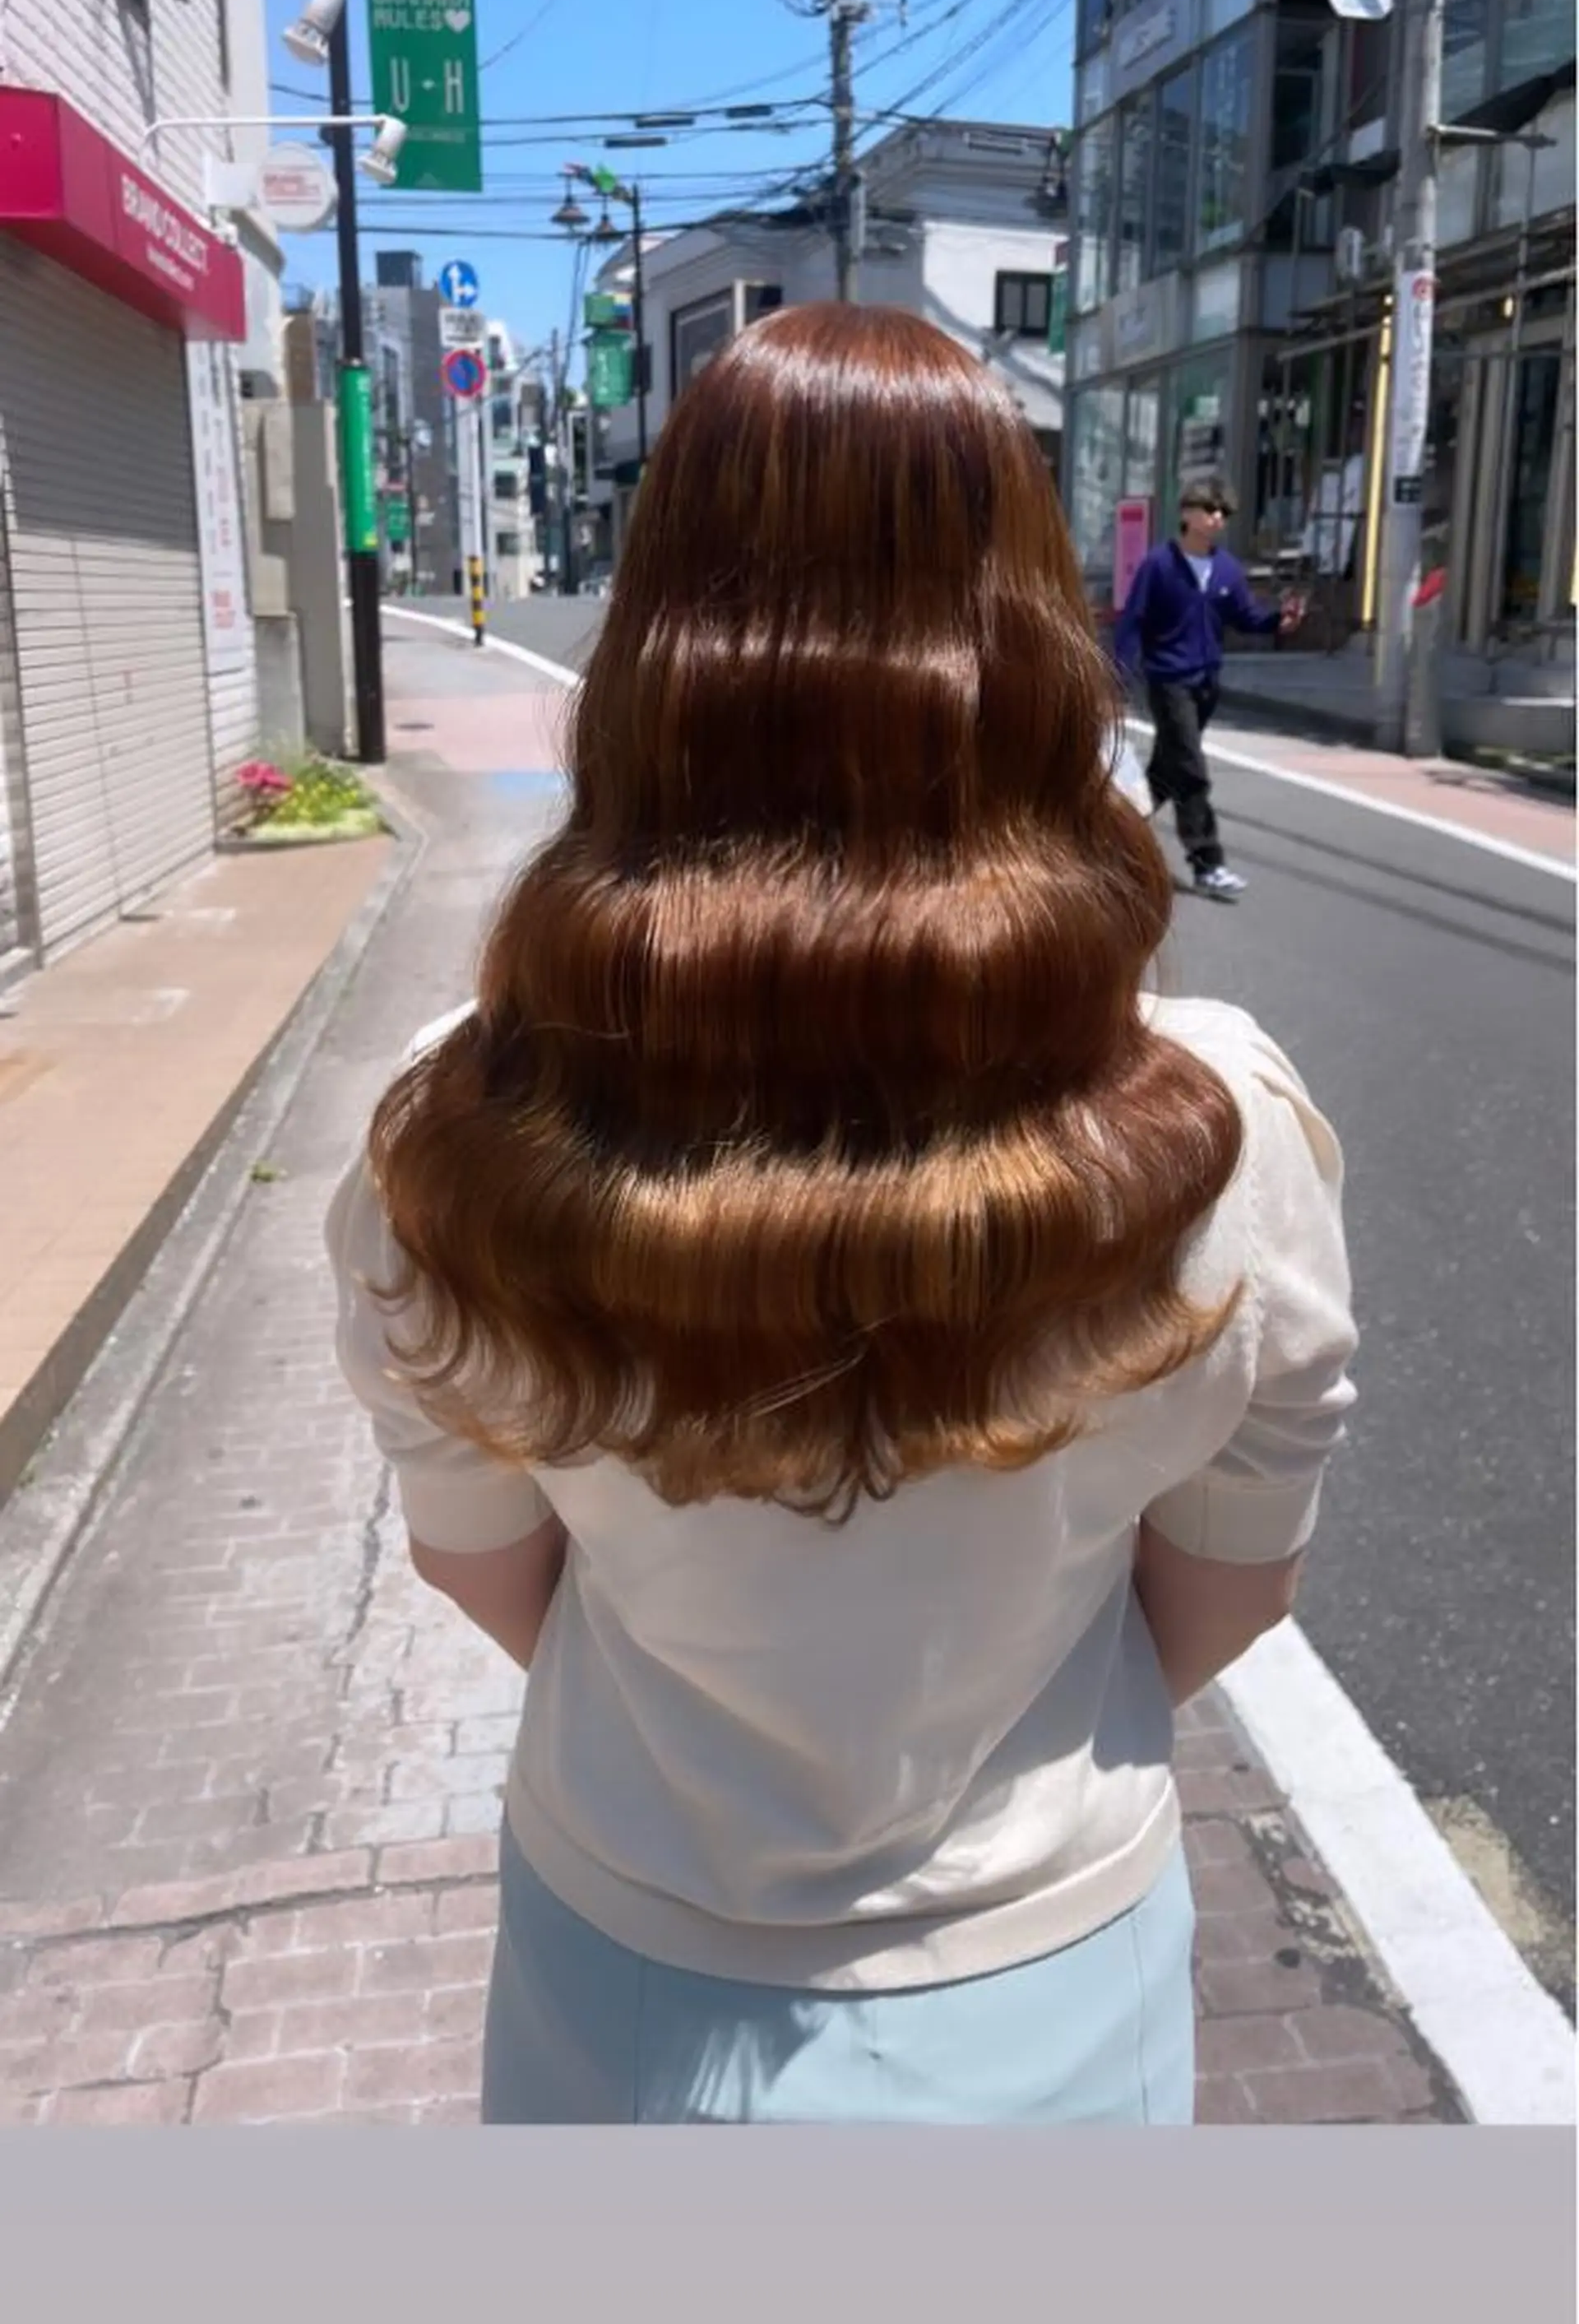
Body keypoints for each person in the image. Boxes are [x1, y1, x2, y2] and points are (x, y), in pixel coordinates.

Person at [326, 305, 1356, 2128]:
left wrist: (711, 1655)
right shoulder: (1219, 1128)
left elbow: (485, 1570)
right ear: (1030, 647)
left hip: (617, 1969)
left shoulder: (457, 1127)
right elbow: (1226, 1597)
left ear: (661, 648)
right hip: (1058, 1976)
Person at [1113, 475, 1303, 902]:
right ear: (1186, 514)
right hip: (1167, 679)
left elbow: (1246, 618)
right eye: (1208, 509)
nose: (1216, 518)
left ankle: (1112, 834)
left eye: (1223, 513)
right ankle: (1208, 862)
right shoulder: (1159, 565)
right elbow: (1134, 622)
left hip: (1206, 683)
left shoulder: (1228, 570)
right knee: (1193, 772)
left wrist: (1279, 623)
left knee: (1168, 771)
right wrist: (1117, 675)